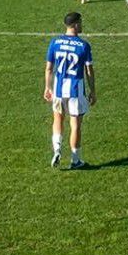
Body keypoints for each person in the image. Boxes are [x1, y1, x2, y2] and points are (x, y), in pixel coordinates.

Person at [44, 11, 96, 169]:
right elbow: (89, 71)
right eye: (80, 22)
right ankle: (75, 160)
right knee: (75, 125)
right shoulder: (83, 45)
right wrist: (93, 90)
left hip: (58, 89)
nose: (82, 25)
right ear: (75, 24)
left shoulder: (55, 42)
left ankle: (57, 150)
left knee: (58, 120)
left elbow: (49, 68)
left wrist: (47, 87)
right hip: (75, 90)